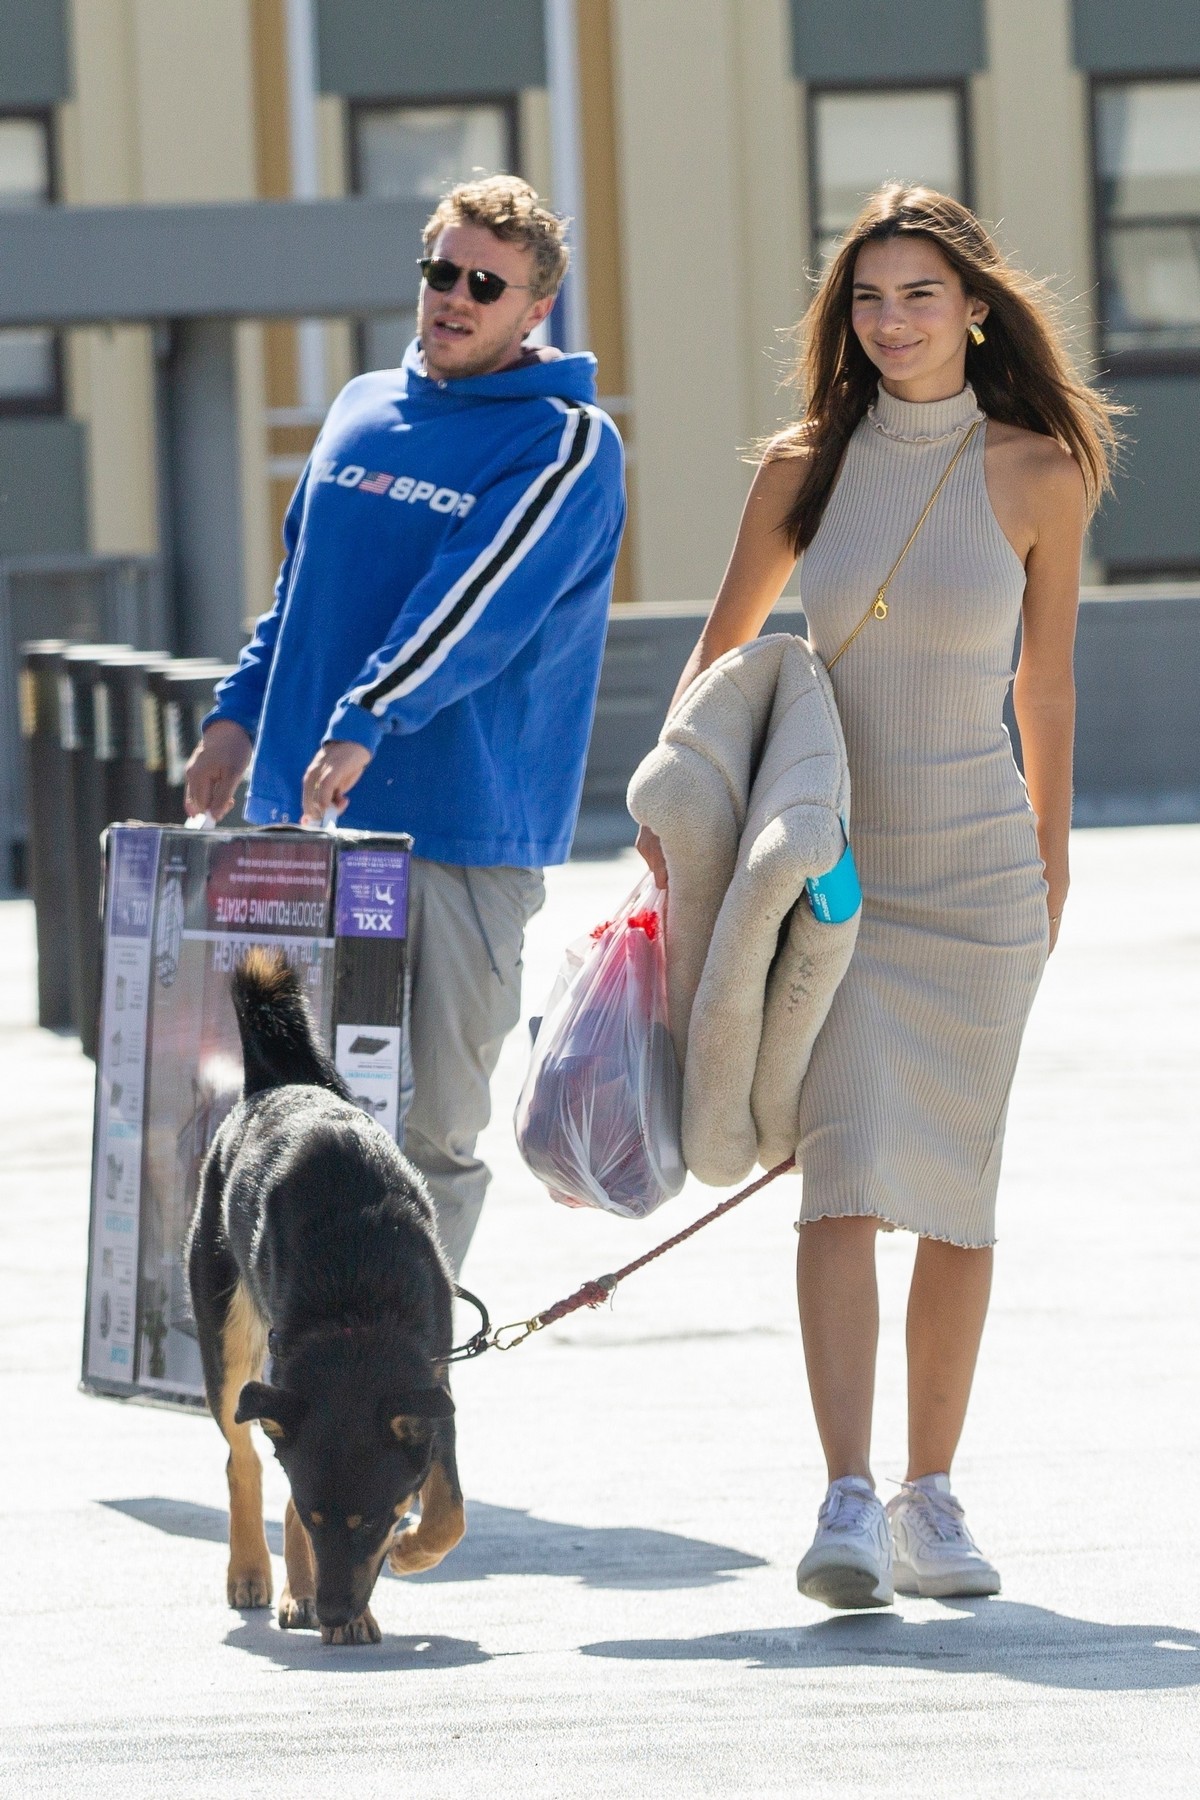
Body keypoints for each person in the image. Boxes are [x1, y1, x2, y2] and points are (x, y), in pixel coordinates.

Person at [637, 184, 1118, 1608]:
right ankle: (847, 1496)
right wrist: (673, 823)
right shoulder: (802, 469)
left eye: (917, 295)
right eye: (866, 297)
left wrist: (1054, 852)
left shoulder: (1040, 469)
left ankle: (935, 1495)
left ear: (976, 307)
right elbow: (719, 662)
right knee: (841, 1176)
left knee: (958, 1200)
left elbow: (1049, 680)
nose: (890, 321)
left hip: (980, 875)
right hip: (834, 877)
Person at [185, 175, 626, 1275]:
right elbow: (302, 592)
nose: (456, 296)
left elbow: (472, 600)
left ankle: (402, 1365)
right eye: (442, 271)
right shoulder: (361, 406)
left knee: (429, 1129)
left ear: (536, 310)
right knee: (284, 1111)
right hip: (306, 827)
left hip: (458, 840)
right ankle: (299, 1358)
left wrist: (369, 711)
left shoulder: (565, 441)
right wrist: (238, 716)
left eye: (488, 283)